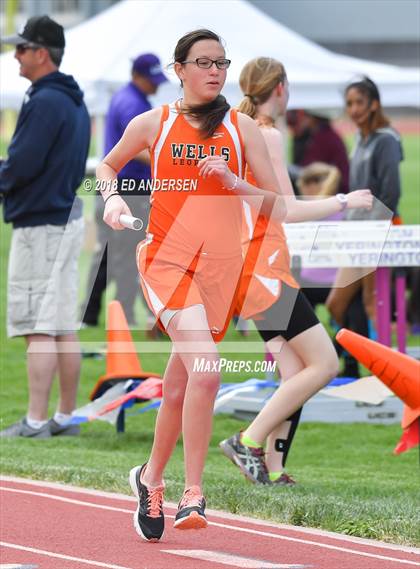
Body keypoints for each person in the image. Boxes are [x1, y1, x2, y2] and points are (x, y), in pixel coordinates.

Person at [96, 29, 293, 541]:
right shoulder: (155, 122)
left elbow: (276, 202)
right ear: (178, 69)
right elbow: (107, 165)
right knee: (206, 372)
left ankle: (149, 478)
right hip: (167, 260)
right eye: (203, 62)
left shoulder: (241, 128)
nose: (215, 71)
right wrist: (112, 199)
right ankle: (194, 492)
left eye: (222, 62)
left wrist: (235, 183)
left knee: (183, 382)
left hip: (219, 270)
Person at [218, 57, 372, 486]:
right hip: (263, 268)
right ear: (280, 89)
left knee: (294, 373)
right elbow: (286, 210)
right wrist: (343, 201)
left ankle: (274, 467)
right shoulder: (267, 133)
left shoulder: (239, 128)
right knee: (323, 365)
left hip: (252, 268)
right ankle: (247, 442)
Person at [0, 16, 90, 438]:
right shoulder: (73, 99)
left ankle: (36, 420)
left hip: (42, 222)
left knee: (37, 323)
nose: (15, 55)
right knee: (60, 324)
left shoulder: (46, 100)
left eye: (21, 48)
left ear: (41, 53)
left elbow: (22, 164)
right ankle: (64, 417)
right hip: (66, 215)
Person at [81, 54, 168, 328]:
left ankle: (90, 314)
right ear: (139, 76)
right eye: (153, 80)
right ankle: (125, 317)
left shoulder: (127, 98)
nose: (157, 86)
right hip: (127, 189)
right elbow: (138, 149)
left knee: (108, 254)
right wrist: (170, 161)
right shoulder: (133, 103)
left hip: (117, 188)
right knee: (127, 256)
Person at [326, 77, 403, 356]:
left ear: (374, 104)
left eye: (360, 102)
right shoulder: (360, 138)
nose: (354, 108)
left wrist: (370, 235)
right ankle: (361, 361)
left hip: (378, 233)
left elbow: (391, 194)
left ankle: (383, 371)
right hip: (356, 234)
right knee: (337, 303)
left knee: (373, 304)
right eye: (349, 103)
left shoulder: (386, 139)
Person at [286, 109, 349, 194]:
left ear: (311, 118)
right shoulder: (322, 134)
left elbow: (309, 171)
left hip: (334, 190)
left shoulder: (324, 137)